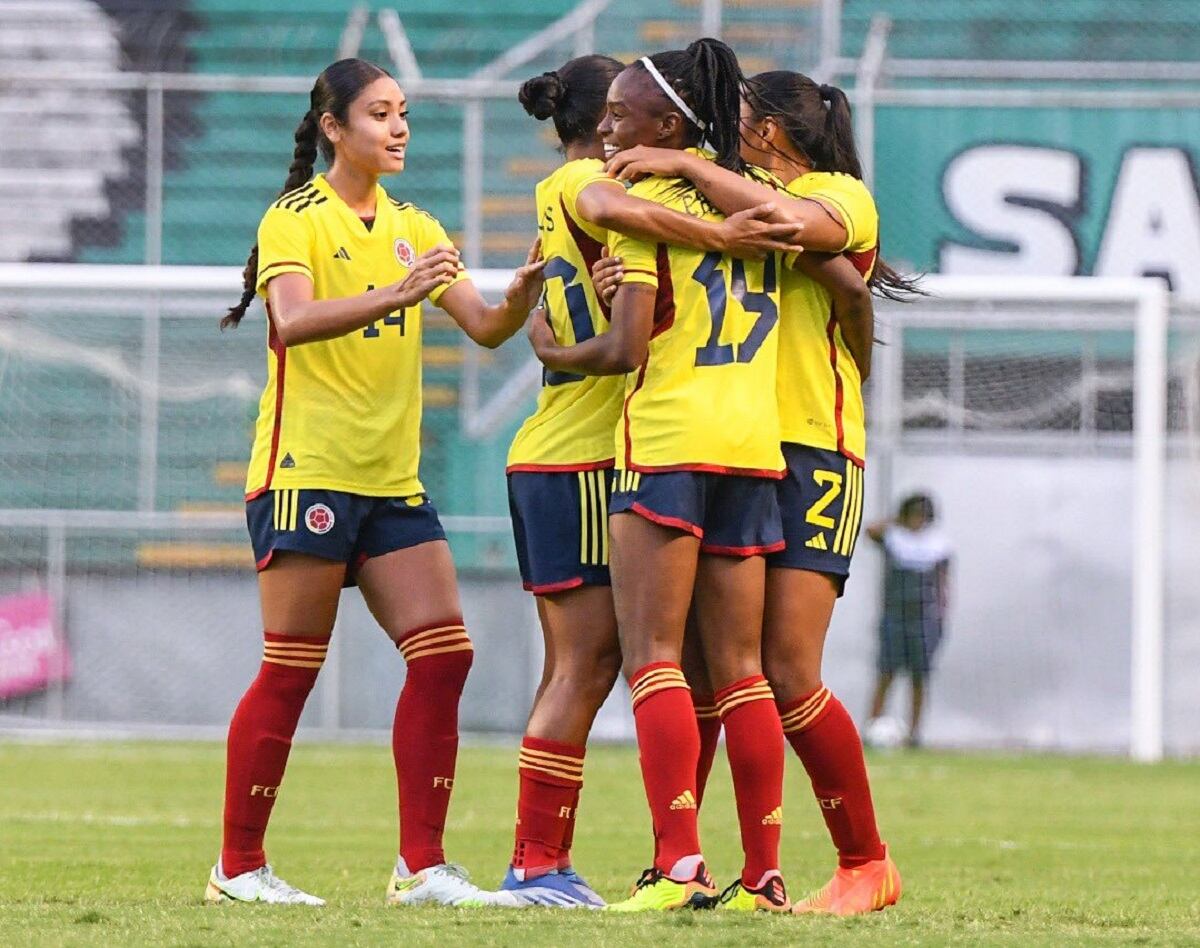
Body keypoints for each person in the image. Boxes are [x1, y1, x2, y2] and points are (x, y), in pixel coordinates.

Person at [205, 58, 546, 908]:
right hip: (304, 472)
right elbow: (290, 321)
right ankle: (237, 869)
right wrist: (397, 292)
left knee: (444, 656)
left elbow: (485, 328)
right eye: (380, 114)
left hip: (391, 483)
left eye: (404, 114)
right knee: (291, 668)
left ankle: (421, 867)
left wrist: (524, 294)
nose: (398, 129)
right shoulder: (294, 219)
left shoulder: (417, 224)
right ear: (334, 128)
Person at [605, 70, 922, 915]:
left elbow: (805, 239)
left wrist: (691, 174)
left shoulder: (837, 194)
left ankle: (866, 861)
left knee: (786, 667)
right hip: (738, 446)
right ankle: (691, 861)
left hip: (816, 451)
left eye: (744, 117)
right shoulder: (725, 205)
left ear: (775, 129)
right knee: (713, 668)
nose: (729, 127)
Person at [501, 55, 805, 908]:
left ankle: (667, 863)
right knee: (711, 669)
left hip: (654, 443)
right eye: (607, 119)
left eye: (624, 119)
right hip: (727, 449)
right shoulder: (752, 205)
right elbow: (807, 238)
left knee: (648, 663)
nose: (611, 137)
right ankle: (757, 871)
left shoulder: (644, 207)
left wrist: (551, 346)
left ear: (662, 127)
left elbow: (627, 342)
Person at [866, 493, 952, 748]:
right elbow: (870, 530)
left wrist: (941, 617)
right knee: (886, 672)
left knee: (919, 676)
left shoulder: (937, 546)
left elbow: (944, 584)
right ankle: (873, 726)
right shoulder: (894, 539)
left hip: (924, 618)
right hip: (895, 614)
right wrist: (896, 520)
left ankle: (914, 733)